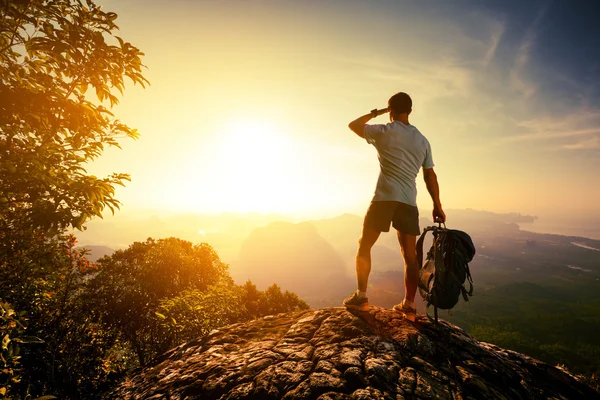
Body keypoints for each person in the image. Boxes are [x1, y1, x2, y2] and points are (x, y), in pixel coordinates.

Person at [343, 92, 445, 321]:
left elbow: (353, 125)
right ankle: (409, 305)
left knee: (365, 244)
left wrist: (376, 113)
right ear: (410, 110)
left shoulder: (384, 131)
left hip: (384, 199)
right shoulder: (422, 140)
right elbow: (430, 176)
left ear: (390, 110)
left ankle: (361, 297)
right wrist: (437, 205)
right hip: (408, 201)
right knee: (410, 256)